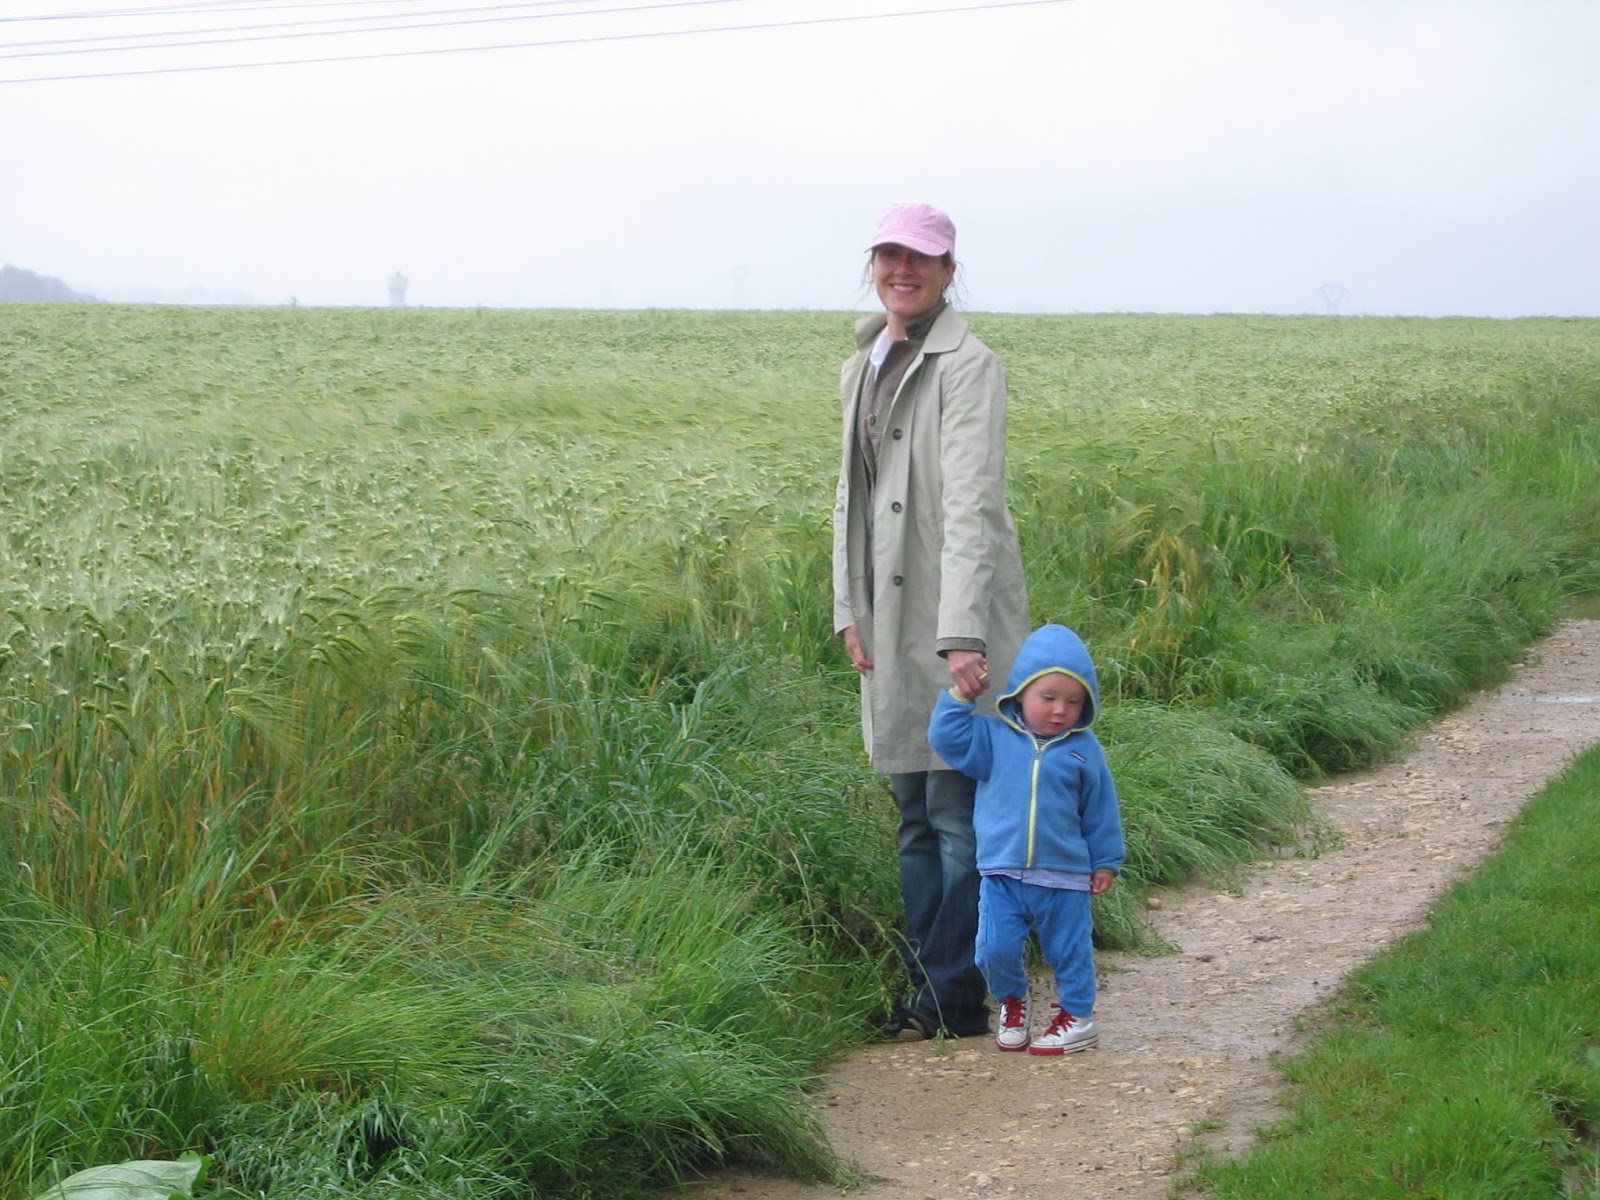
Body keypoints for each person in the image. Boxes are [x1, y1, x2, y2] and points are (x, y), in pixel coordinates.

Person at [833, 201, 1030, 1039]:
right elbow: (851, 500)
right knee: (914, 815)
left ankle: (949, 995)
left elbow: (973, 505)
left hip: (951, 618)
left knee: (953, 815)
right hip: (887, 613)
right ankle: (941, 990)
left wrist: (962, 634)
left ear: (949, 272)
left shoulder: (968, 364)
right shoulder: (861, 364)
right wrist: (849, 609)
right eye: (888, 255)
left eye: (920, 258)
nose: (901, 270)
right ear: (872, 265)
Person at [927, 622, 1126, 1055]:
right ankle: (1013, 1000)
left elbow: (1100, 808)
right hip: (1002, 871)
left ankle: (1078, 1017)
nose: (1060, 710)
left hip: (1066, 875)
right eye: (1048, 697)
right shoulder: (993, 738)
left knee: (1069, 951)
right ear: (1020, 693)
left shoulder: (1083, 749)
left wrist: (1105, 860)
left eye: (1074, 701)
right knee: (993, 949)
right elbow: (945, 737)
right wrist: (961, 697)